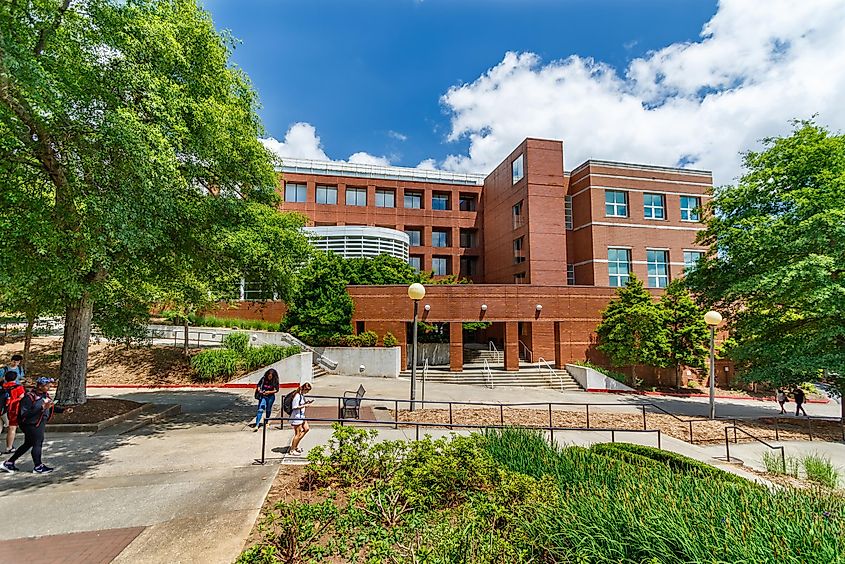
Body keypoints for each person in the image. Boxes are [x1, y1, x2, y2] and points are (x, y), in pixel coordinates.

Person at [2, 377, 73, 474]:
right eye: (47, 385)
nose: (49, 386)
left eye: (49, 384)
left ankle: (9, 463)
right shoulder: (29, 397)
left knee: (28, 444)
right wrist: (41, 408)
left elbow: (50, 406)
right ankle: (38, 466)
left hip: (39, 423)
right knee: (37, 443)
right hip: (31, 424)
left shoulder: (45, 395)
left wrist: (63, 410)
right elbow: (24, 414)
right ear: (40, 386)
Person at [1, 371, 26, 454]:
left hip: (1, 409)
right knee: (12, 428)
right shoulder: (18, 387)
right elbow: (22, 398)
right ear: (15, 378)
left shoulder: (2, 386)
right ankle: (9, 447)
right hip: (12, 410)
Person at [289, 382, 313, 456]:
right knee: (298, 433)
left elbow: (301, 404)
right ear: (304, 389)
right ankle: (292, 449)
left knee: (306, 429)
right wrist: (305, 405)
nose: (307, 392)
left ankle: (295, 446)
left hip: (302, 416)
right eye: (307, 391)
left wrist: (306, 403)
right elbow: (295, 406)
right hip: (297, 416)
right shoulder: (297, 396)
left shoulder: (301, 396)